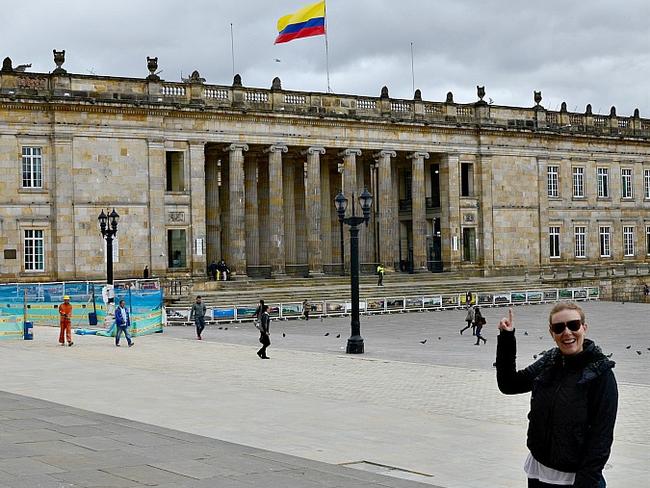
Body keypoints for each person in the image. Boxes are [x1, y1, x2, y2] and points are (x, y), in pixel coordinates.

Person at [496, 303, 617, 487]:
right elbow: (509, 384)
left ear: (584, 327)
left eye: (573, 325)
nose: (567, 332)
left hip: (576, 478)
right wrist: (506, 337)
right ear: (552, 333)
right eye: (559, 328)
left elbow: (601, 437)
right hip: (539, 471)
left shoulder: (600, 373)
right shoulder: (550, 360)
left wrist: (585, 482)